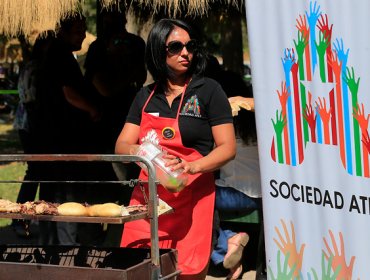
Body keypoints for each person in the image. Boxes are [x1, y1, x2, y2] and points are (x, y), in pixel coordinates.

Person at [115, 19, 236, 279]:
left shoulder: (208, 90)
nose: (185, 53)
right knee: (138, 269)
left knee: (188, 272)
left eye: (190, 46)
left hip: (193, 202)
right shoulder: (145, 96)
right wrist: (146, 155)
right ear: (159, 51)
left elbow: (227, 148)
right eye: (176, 47)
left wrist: (192, 166)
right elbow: (122, 145)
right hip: (147, 205)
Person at [36, 13, 100, 245]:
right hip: (61, 140)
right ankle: (65, 250)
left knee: (53, 196)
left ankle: (53, 247)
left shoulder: (59, 54)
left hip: (54, 138)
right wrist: (92, 109)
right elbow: (68, 93)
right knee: (65, 198)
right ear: (64, 30)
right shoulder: (59, 55)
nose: (83, 34)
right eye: (78, 29)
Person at [211, 88, 261, 280]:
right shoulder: (265, 131)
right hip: (263, 197)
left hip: (232, 197)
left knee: (196, 198)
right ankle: (232, 251)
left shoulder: (224, 133)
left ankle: (227, 242)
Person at [12, 31, 54, 237]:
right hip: (31, 126)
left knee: (41, 172)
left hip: (31, 125)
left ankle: (41, 217)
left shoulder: (36, 66)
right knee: (36, 171)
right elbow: (30, 99)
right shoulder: (36, 67)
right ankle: (20, 218)